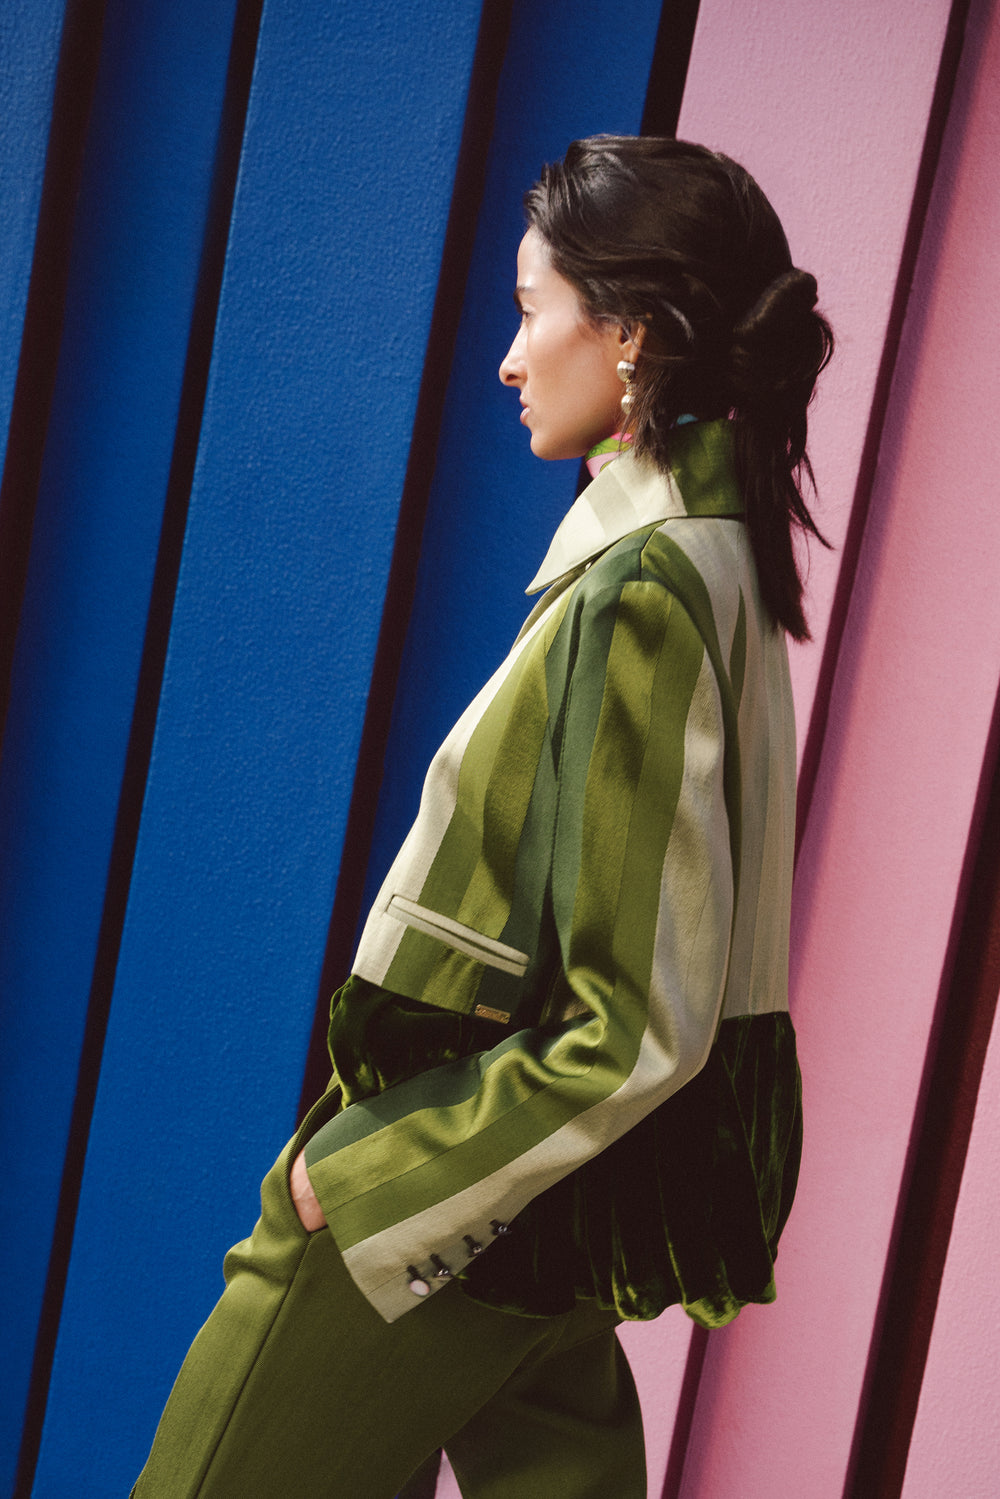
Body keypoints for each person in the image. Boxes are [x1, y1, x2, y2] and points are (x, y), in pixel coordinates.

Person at [132, 135, 832, 1498]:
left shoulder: (644, 585)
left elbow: (638, 1021)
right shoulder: (718, 554)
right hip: (545, 1221)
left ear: (629, 332)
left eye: (530, 310)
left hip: (441, 1201)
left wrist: (370, 1178)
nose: (509, 360)